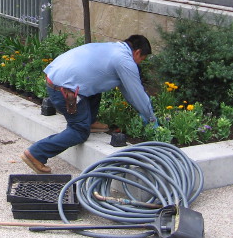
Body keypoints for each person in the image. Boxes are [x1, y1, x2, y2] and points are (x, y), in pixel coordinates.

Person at [21, 34, 158, 174]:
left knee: (98, 84)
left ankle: (90, 121)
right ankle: (36, 153)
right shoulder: (124, 60)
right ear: (137, 52)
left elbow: (127, 90)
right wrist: (151, 118)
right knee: (79, 131)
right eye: (142, 59)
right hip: (64, 91)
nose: (140, 62)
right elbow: (137, 94)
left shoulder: (113, 49)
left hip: (57, 79)